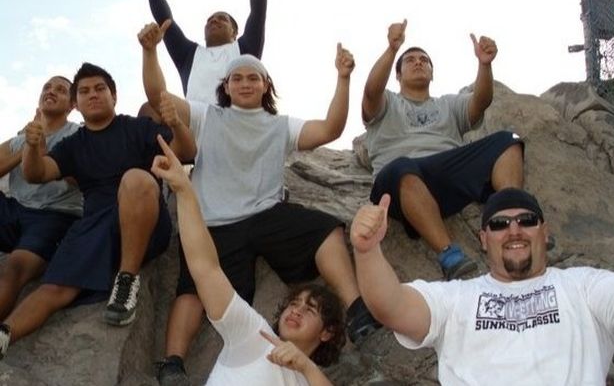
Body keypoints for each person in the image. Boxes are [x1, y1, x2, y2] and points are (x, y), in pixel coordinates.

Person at [139, 22, 380, 385]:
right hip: (216, 221)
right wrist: (150, 52)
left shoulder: (280, 125)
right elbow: (158, 96)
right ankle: (173, 362)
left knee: (325, 230)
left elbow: (330, 128)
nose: (245, 83)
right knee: (194, 287)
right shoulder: (206, 116)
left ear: (266, 85)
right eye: (237, 78)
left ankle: (358, 309)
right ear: (226, 86)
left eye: (253, 77)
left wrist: (343, 78)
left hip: (267, 214)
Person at [351, 182, 614, 385]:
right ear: (484, 239)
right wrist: (366, 252)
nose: (514, 231)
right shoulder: (455, 299)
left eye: (526, 220)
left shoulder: (583, 287)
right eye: (499, 224)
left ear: (544, 232)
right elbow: (392, 307)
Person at [0, 63, 196, 360]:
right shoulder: (73, 145)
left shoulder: (136, 127)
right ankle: (5, 334)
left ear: (114, 96)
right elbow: (37, 174)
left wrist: (177, 124)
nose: (92, 95)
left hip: (143, 219)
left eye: (100, 88)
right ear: (76, 105)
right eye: (84, 91)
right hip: (95, 225)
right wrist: (32, 147)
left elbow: (186, 152)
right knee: (55, 288)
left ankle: (126, 280)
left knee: (136, 178)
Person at [151, 134, 342, 385]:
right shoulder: (253, 335)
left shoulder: (309, 380)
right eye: (294, 303)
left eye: (310, 309)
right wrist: (184, 191)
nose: (296, 310)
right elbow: (206, 269)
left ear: (327, 332)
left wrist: (306, 367)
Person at [361, 19, 525, 280]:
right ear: (398, 75)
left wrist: (484, 65)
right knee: (401, 167)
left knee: (508, 140)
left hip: (446, 172)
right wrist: (392, 49)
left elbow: (481, 102)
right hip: (400, 184)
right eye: (410, 60)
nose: (418, 63)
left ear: (432, 73)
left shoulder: (448, 104)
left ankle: (513, 217)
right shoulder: (386, 102)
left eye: (424, 60)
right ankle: (450, 256)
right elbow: (371, 91)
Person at [0, 76, 82, 322]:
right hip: (14, 208)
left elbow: (86, 178)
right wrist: (27, 148)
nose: (51, 91)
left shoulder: (78, 135)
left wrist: (46, 160)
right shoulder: (22, 136)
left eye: (61, 90)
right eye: (47, 87)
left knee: (14, 269)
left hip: (53, 215)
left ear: (73, 105)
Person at [142, 0, 266, 105]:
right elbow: (165, 20)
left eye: (222, 19)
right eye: (209, 20)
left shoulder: (244, 49)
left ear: (234, 32)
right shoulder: (189, 55)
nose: (214, 20)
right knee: (148, 108)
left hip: (233, 115)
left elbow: (258, 10)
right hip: (193, 117)